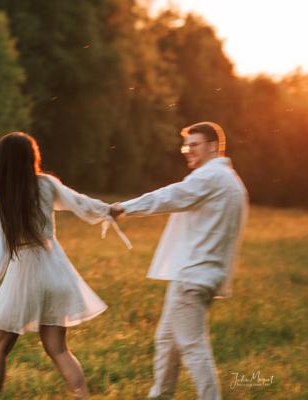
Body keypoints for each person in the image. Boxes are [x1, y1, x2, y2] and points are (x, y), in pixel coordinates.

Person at [0, 132, 130, 399]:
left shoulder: (2, 200)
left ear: (1, 164)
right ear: (31, 158)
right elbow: (79, 202)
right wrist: (107, 209)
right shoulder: (46, 185)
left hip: (25, 274)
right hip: (56, 269)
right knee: (58, 348)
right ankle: (83, 396)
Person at [110, 122, 249, 400]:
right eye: (186, 146)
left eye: (194, 145)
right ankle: (160, 395)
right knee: (166, 341)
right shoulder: (231, 181)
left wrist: (125, 207)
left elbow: (170, 196)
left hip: (191, 277)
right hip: (205, 276)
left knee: (192, 346)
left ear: (212, 146)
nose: (187, 151)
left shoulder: (210, 177)